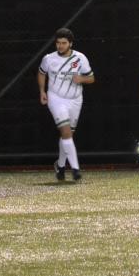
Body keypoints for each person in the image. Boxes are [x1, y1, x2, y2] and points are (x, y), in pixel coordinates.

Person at [38, 28, 95, 182]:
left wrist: (81, 79)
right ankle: (76, 169)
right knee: (66, 132)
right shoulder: (49, 58)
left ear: (71, 43)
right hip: (56, 99)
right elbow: (41, 73)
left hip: (75, 100)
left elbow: (91, 78)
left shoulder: (80, 58)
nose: (60, 46)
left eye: (64, 43)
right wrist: (42, 91)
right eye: (58, 43)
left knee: (68, 135)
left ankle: (60, 166)